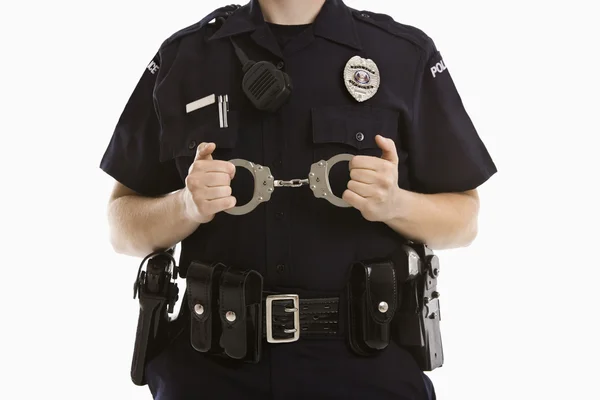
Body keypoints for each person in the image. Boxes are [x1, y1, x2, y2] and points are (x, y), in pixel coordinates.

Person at [99, 0, 497, 398]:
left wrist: (396, 204)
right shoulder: (184, 57)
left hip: (367, 373)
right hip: (210, 370)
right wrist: (185, 206)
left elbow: (465, 218)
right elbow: (121, 225)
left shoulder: (403, 55)